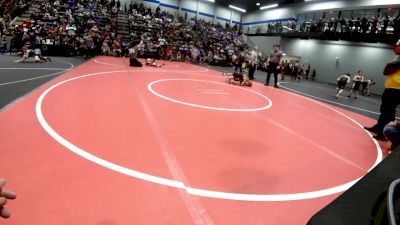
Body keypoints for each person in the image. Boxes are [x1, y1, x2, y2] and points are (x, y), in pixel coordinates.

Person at [365, 39, 400, 140]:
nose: (394, 48)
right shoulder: (397, 58)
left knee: (388, 111)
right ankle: (379, 127)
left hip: (396, 88)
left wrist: (389, 66)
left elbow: (387, 69)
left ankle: (384, 133)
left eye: (396, 46)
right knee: (384, 109)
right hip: (392, 87)